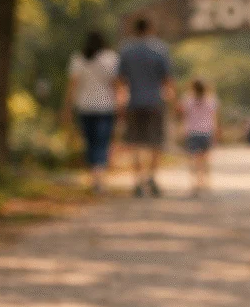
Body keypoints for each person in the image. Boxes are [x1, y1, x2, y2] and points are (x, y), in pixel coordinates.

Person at [117, 17, 174, 197]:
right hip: (155, 101)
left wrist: (120, 102)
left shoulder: (126, 50)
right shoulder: (160, 49)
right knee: (156, 141)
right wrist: (172, 100)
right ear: (151, 28)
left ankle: (138, 181)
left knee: (135, 142)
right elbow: (167, 79)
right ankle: (152, 177)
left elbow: (120, 79)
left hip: (133, 101)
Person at [63, 30, 119, 193]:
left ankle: (95, 179)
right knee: (102, 142)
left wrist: (67, 108)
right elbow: (116, 84)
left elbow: (72, 86)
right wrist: (121, 105)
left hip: (84, 107)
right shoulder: (111, 58)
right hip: (105, 107)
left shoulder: (78, 59)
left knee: (90, 142)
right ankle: (99, 179)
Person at [179, 78, 220, 197]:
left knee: (194, 159)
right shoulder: (211, 100)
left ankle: (195, 183)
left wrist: (181, 130)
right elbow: (214, 118)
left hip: (192, 132)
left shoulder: (187, 100)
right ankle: (205, 182)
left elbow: (183, 115)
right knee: (205, 159)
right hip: (206, 132)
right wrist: (216, 132)